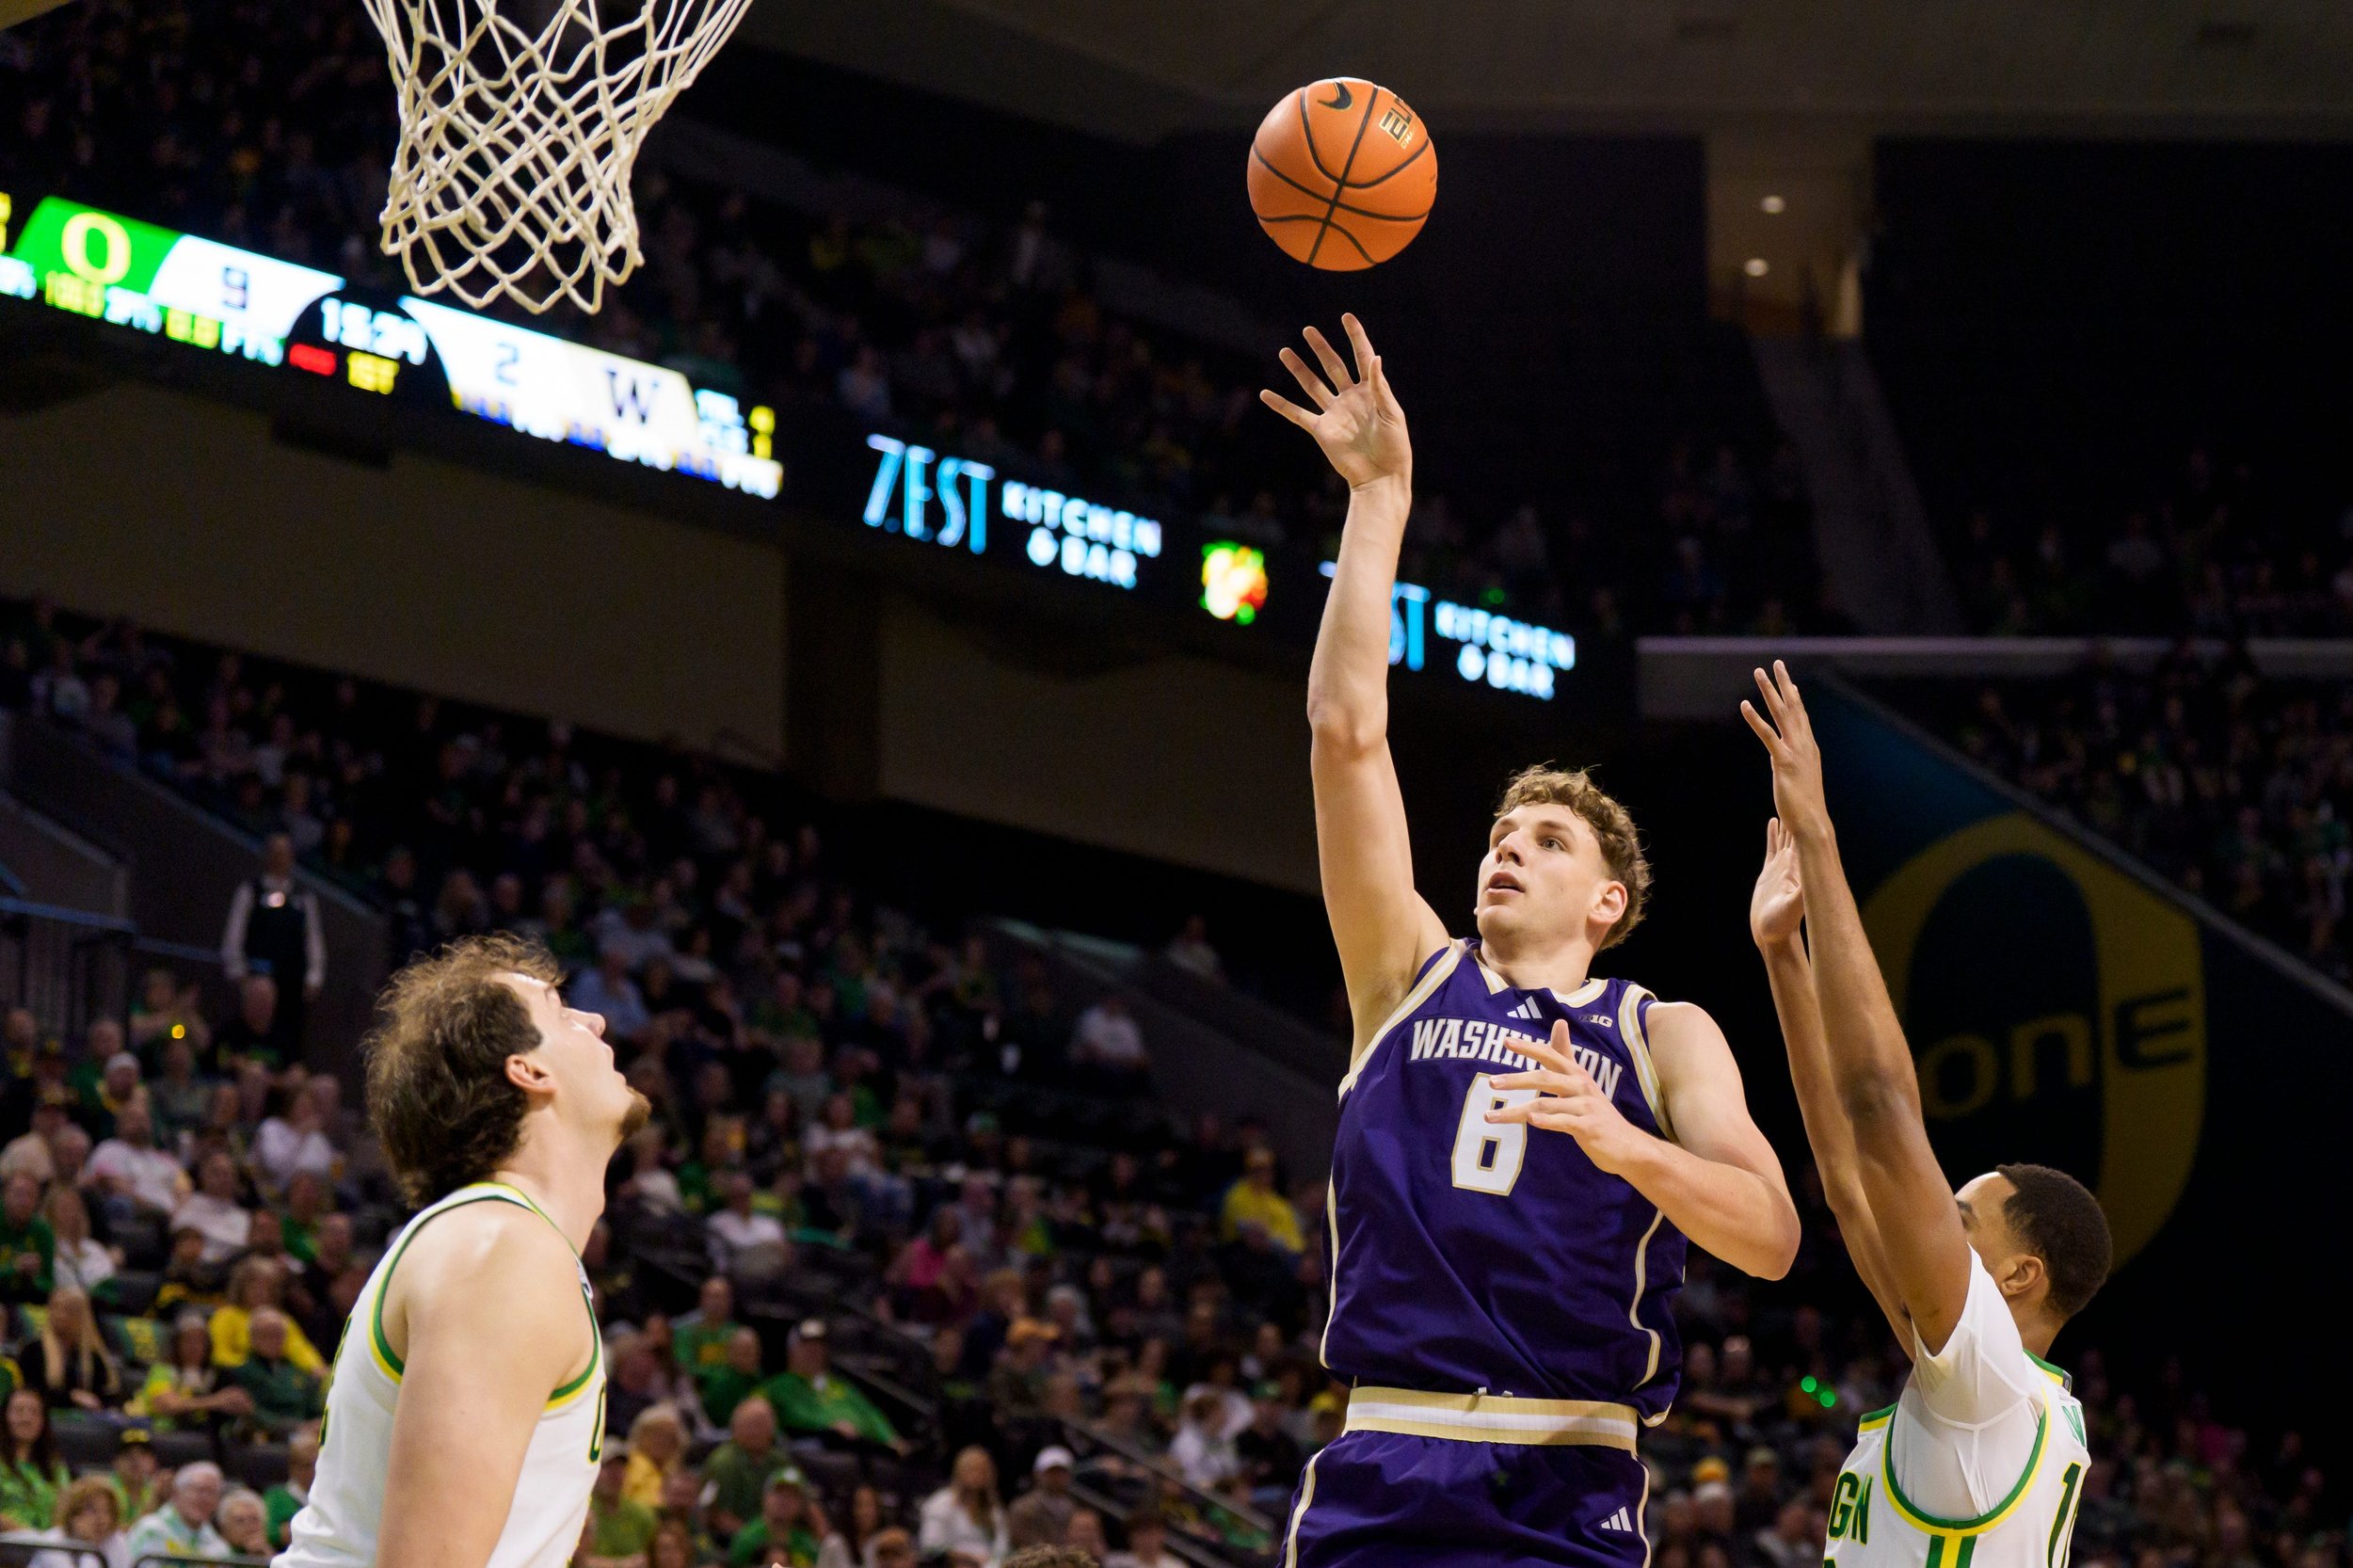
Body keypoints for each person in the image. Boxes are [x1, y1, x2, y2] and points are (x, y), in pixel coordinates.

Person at [1259, 314, 1800, 1566]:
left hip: (1568, 1472)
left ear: (1610, 900)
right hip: (1385, 1455)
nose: (1508, 845)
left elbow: (1769, 1232)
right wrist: (1381, 497)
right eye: (1503, 830)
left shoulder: (1660, 1031)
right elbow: (1345, 732)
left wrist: (1623, 1141)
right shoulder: (1407, 973)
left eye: (1550, 839)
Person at [1741, 662, 2113, 1568]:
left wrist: (1822, 839)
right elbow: (1846, 1176)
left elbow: (1878, 1109)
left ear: (2019, 1276)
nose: (1930, 1216)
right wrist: (1781, 955)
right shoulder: (1988, 1388)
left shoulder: (1981, 1378)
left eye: (1958, 1216)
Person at [280, 934, 651, 1568]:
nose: (595, 1018)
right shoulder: (502, 1252)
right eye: (562, 1012)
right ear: (528, 1070)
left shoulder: (499, 1241)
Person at [219, 832, 326, 1059]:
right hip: (257, 980)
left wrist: (314, 977)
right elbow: (234, 933)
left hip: (291, 984)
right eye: (275, 854)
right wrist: (238, 972)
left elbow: (313, 939)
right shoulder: (251, 890)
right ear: (267, 856)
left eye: (285, 854)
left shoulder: (303, 896)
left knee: (288, 1043)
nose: (280, 859)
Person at [759, 1320, 901, 1448]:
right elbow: (759, 1411)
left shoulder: (840, 1386)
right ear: (792, 1350)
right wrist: (829, 1426)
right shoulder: (779, 1385)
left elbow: (870, 1414)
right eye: (807, 1345)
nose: (814, 1351)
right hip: (810, 1447)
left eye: (819, 1346)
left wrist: (891, 1439)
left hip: (855, 1447)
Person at [130, 1312, 254, 1431]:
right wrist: (217, 1401)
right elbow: (166, 1405)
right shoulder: (162, 1370)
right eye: (188, 1340)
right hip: (165, 1434)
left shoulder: (216, 1374)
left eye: (200, 1341)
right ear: (176, 1343)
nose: (194, 1346)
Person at [17, 1286, 121, 1410]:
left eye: (68, 1310)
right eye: (55, 1307)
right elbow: (29, 1394)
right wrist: (71, 1396)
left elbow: (107, 1395)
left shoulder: (94, 1358)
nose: (60, 1315)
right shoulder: (32, 1350)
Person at [700, 1396, 789, 1538]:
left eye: (762, 1424)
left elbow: (804, 1502)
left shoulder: (779, 1459)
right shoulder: (723, 1462)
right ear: (734, 1429)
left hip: (775, 1533)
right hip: (732, 1537)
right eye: (750, 1425)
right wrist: (754, 1537)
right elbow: (718, 1515)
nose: (756, 1431)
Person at [231, 1307, 325, 1436]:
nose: (273, 1340)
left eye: (278, 1334)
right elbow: (250, 1412)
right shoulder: (241, 1372)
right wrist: (297, 1427)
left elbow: (312, 1407)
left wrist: (318, 1422)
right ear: (252, 1337)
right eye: (265, 1334)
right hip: (267, 1434)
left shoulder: (297, 1371)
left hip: (305, 1431)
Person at [918, 1446, 1007, 1568]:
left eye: (983, 1470)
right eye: (973, 1469)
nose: (978, 1475)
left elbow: (1002, 1544)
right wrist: (969, 1558)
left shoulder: (993, 1508)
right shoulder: (941, 1503)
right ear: (959, 1472)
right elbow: (930, 1546)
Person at [18, 1472, 131, 1568]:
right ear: (72, 1515)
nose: (102, 1519)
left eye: (107, 1511)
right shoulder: (52, 1543)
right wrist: (90, 1548)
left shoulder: (116, 1541)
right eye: (92, 1510)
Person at [124, 1462, 229, 1558]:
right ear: (176, 1492)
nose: (205, 1499)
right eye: (199, 1490)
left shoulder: (219, 1547)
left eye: (212, 1493)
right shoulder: (150, 1531)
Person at [726, 1469, 824, 1568]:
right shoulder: (747, 1539)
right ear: (765, 1497)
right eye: (779, 1493)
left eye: (792, 1496)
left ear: (801, 1505)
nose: (784, 1501)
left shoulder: (806, 1543)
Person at [0, 1389, 69, 1529]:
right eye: (18, 1411)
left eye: (34, 1412)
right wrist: (25, 1534)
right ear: (4, 1417)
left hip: (49, 1545)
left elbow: (64, 1510)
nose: (26, 1418)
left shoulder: (55, 1466)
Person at [1004, 1446, 1077, 1549]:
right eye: (1051, 1472)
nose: (1056, 1477)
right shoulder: (1023, 1508)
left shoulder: (1073, 1508)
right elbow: (1022, 1543)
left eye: (1061, 1472)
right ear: (1037, 1474)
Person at [266, 1427, 320, 1547]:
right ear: (293, 1467)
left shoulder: (329, 1496)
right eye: (307, 1465)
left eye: (316, 1464)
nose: (313, 1471)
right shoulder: (277, 1496)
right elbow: (270, 1532)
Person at [1105, 1509, 1181, 1568]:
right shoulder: (1115, 1562)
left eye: (1152, 1533)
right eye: (1141, 1534)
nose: (1147, 1539)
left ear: (1162, 1535)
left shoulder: (1176, 1566)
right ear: (1131, 1537)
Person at [218, 1487, 274, 1557]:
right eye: (240, 1521)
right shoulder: (216, 1555)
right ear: (224, 1527)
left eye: (254, 1520)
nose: (249, 1526)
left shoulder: (273, 1558)